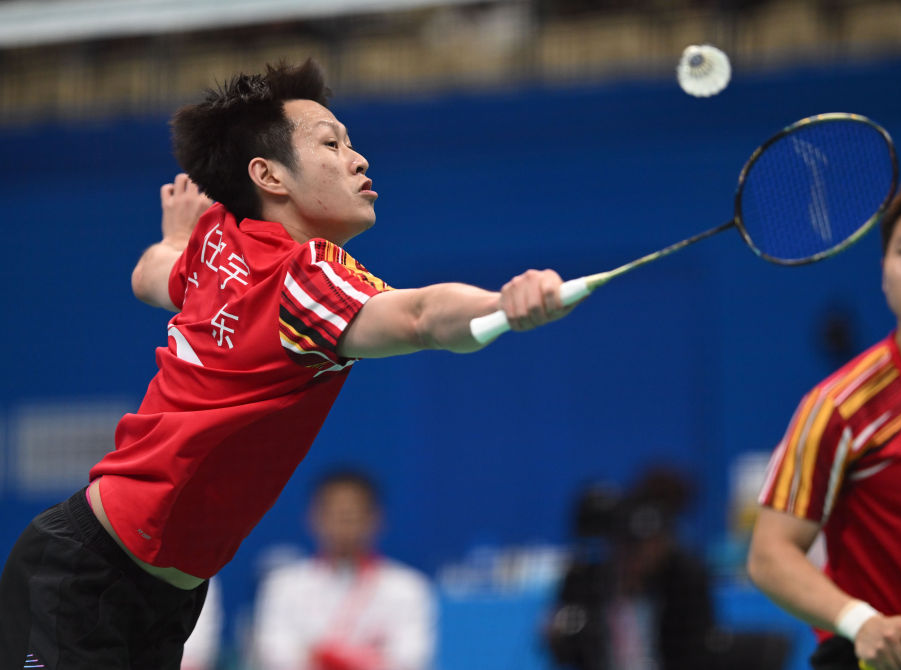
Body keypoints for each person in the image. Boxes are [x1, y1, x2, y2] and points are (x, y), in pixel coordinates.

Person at [0, 59, 575, 670]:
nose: (359, 160)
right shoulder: (303, 278)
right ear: (269, 174)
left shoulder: (219, 238)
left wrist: (174, 240)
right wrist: (503, 304)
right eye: (332, 144)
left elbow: (148, 276)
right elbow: (419, 316)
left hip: (159, 596)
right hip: (83, 577)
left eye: (350, 144)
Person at [748, 176, 901, 670]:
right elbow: (769, 554)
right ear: (885, 271)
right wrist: (860, 621)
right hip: (884, 656)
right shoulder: (839, 406)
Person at [545, 468, 789, 670]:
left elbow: (697, 651)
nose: (636, 559)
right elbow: (566, 649)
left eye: (646, 546)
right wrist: (558, 634)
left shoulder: (683, 582)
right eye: (627, 547)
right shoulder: (586, 583)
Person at [252, 470, 436, 670]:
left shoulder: (408, 587)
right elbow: (276, 657)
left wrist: (320, 654)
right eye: (335, 514)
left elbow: (410, 660)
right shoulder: (282, 585)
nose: (344, 525)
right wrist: (367, 657)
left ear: (376, 519)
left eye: (353, 515)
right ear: (313, 517)